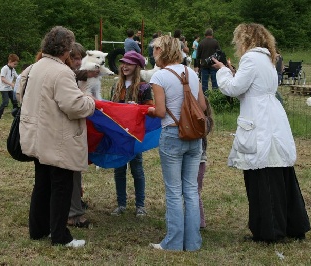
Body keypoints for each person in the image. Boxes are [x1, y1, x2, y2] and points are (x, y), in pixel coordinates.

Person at [212, 23, 311, 243]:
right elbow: (251, 86)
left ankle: (270, 230)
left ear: (245, 39)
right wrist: (232, 72)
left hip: (259, 120)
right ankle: (294, 224)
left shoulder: (250, 59)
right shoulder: (267, 58)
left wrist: (222, 72)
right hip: (273, 116)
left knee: (263, 175)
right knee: (281, 173)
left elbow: (233, 89)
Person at [18, 26, 95, 248]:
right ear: (66, 49)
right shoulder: (61, 72)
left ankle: (38, 229)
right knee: (61, 187)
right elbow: (74, 106)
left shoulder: (35, 67)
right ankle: (60, 236)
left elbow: (19, 92)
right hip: (58, 138)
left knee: (42, 184)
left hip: (38, 136)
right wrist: (89, 99)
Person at [147, 35, 206, 251]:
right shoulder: (192, 72)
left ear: (161, 49)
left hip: (172, 134)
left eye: (154, 49)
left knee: (173, 191)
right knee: (190, 190)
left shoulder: (159, 76)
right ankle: (192, 242)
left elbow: (161, 111)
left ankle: (172, 242)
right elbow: (202, 106)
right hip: (194, 136)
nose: (152, 52)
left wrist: (149, 111)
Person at [109, 51, 153, 217]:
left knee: (137, 169)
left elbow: (150, 109)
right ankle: (121, 204)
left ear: (137, 66)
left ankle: (140, 205)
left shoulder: (144, 87)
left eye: (129, 63)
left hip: (134, 135)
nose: (124, 66)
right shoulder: (116, 86)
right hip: (118, 135)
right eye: (123, 63)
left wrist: (138, 108)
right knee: (119, 169)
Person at [67, 42, 100, 228]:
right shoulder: (65, 75)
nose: (78, 62)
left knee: (74, 170)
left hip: (72, 131)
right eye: (74, 58)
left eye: (80, 58)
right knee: (71, 170)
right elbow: (74, 104)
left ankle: (75, 204)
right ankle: (73, 213)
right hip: (67, 131)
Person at [197, 97, 214, 229]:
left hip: (199, 161)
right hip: (197, 161)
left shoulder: (205, 121)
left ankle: (200, 221)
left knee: (195, 192)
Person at [0, 53, 19, 119]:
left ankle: (16, 115)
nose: (15, 66)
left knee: (14, 101)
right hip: (3, 88)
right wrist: (11, 84)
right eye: (14, 64)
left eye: (16, 64)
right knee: (5, 102)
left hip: (10, 89)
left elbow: (17, 77)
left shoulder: (13, 70)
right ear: (10, 61)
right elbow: (3, 79)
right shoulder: (4, 68)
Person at [197, 28, 221, 93]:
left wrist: (198, 66)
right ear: (212, 34)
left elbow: (198, 56)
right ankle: (215, 96)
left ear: (205, 34)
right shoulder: (215, 42)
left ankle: (205, 99)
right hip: (214, 65)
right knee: (215, 83)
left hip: (204, 66)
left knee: (204, 84)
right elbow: (219, 53)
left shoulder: (201, 43)